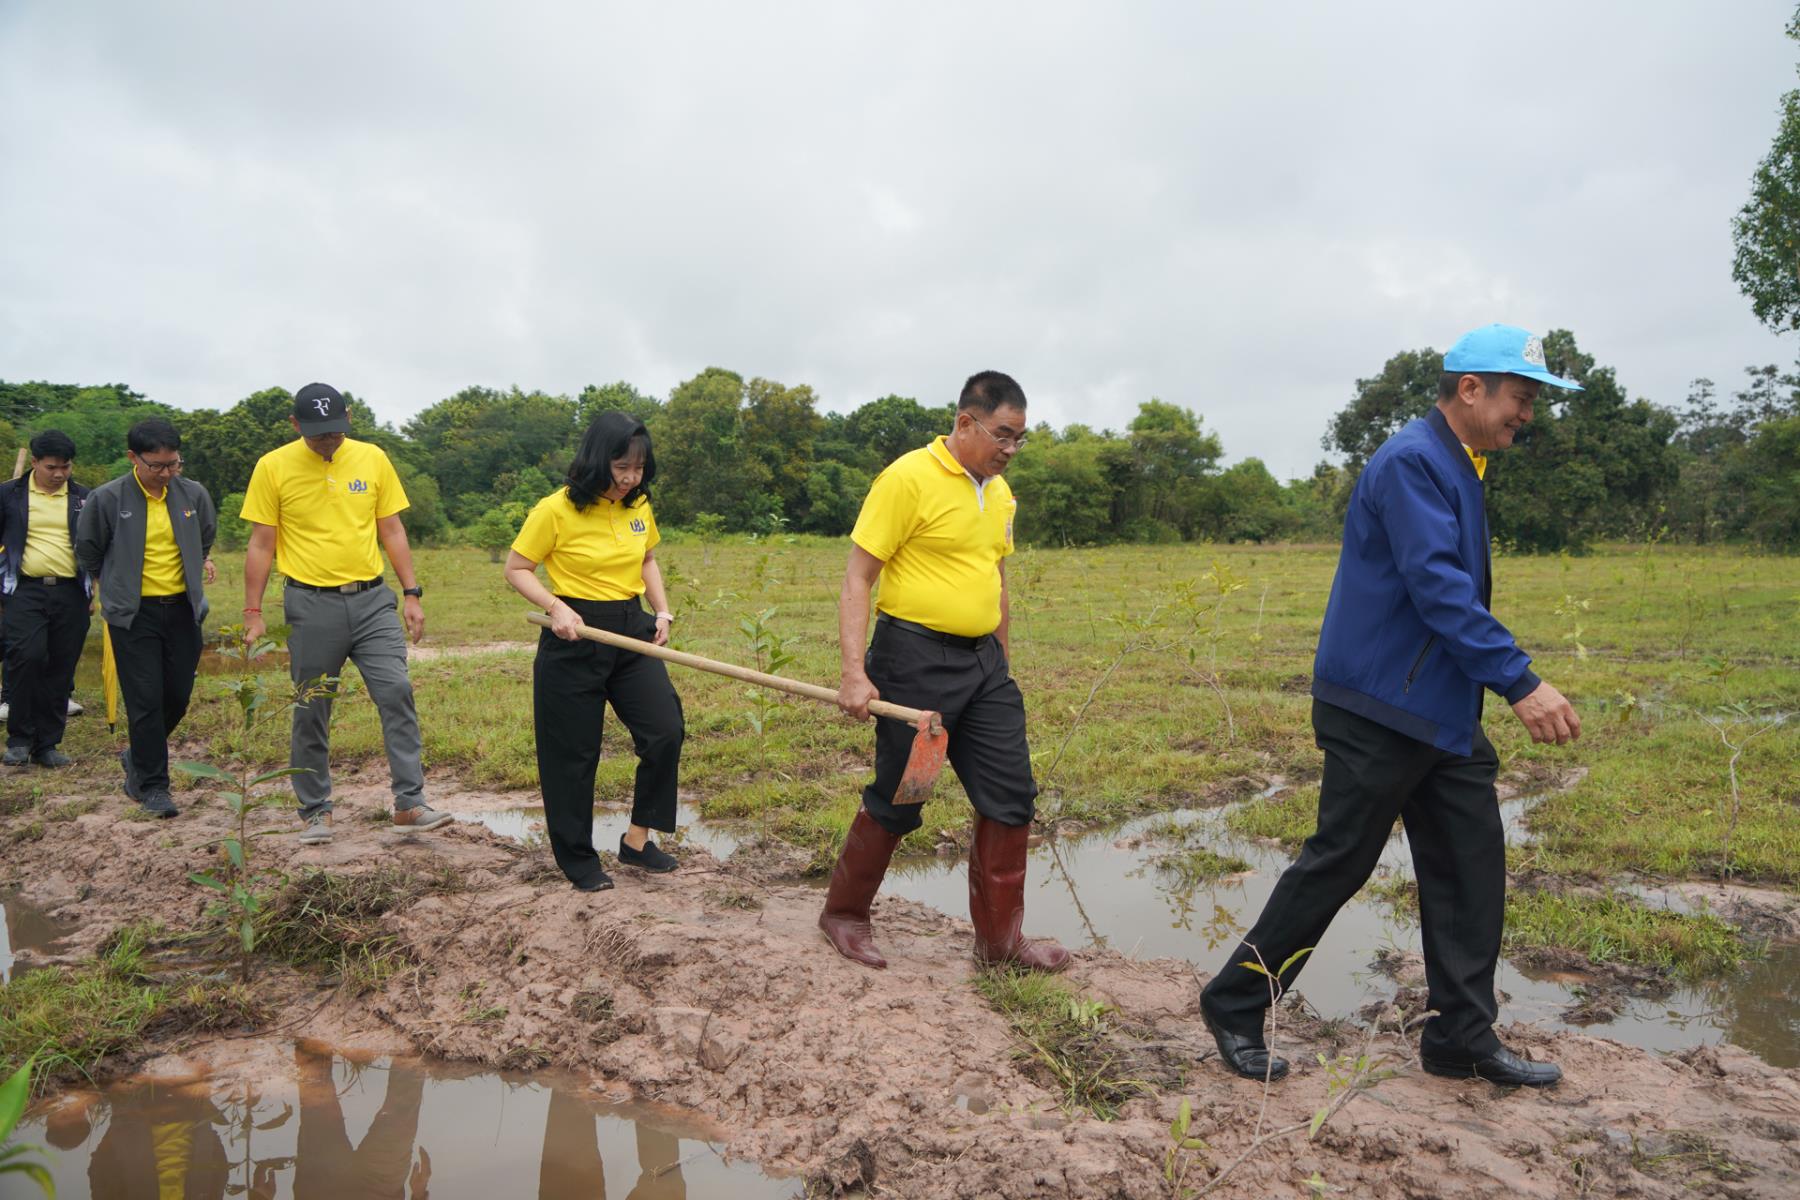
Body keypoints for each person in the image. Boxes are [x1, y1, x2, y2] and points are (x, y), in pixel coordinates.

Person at [1199, 324, 1584, 1088]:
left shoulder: (1459, 462)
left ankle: (1460, 1037)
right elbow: (1440, 588)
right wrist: (1519, 680)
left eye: (1532, 401)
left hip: (1440, 708)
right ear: (1470, 389)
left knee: (1471, 865)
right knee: (1339, 862)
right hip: (1380, 707)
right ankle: (1235, 1003)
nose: (1527, 414)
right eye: (1520, 397)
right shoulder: (1414, 461)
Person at [821, 370, 1068, 972]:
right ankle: (844, 915)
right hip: (914, 662)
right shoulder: (907, 478)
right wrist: (854, 673)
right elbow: (858, 576)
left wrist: (1002, 661)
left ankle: (1000, 943)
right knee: (904, 794)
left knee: (1012, 795)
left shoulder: (1000, 493)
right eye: (1003, 435)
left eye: (1020, 439)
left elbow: (996, 577)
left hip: (984, 667)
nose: (1011, 449)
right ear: (965, 422)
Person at [240, 383, 451, 843]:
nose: (328, 441)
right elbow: (261, 543)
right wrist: (253, 611)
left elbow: (391, 529)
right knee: (312, 705)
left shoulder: (372, 458)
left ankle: (410, 802)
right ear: (295, 425)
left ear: (349, 419)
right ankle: (316, 810)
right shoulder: (272, 466)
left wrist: (411, 593)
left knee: (396, 690)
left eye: (335, 432)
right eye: (317, 435)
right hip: (310, 603)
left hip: (373, 600)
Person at [504, 412, 684, 892]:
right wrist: (555, 607)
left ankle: (637, 841)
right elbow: (517, 567)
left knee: (664, 730)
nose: (629, 479)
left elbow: (647, 558)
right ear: (596, 460)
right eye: (621, 467)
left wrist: (661, 611)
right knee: (573, 755)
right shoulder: (555, 509)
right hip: (574, 636)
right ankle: (578, 859)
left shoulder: (638, 506)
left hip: (631, 631)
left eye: (638, 469)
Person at [76, 419, 218, 817]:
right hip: (134, 615)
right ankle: (153, 786)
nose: (166, 473)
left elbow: (205, 535)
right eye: (157, 465)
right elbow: (88, 548)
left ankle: (138, 754)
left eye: (173, 463)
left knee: (178, 696)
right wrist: (114, 584)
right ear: (133, 458)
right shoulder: (108, 498)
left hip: (182, 610)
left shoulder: (192, 494)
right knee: (145, 700)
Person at [0, 430, 92, 767]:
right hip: (24, 589)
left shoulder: (85, 498)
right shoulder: (8, 495)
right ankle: (20, 739)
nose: (59, 474)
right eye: (51, 467)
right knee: (27, 656)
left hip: (71, 592)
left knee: (60, 666)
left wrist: (95, 588)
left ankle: (47, 744)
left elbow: (99, 544)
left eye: (65, 467)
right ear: (35, 462)